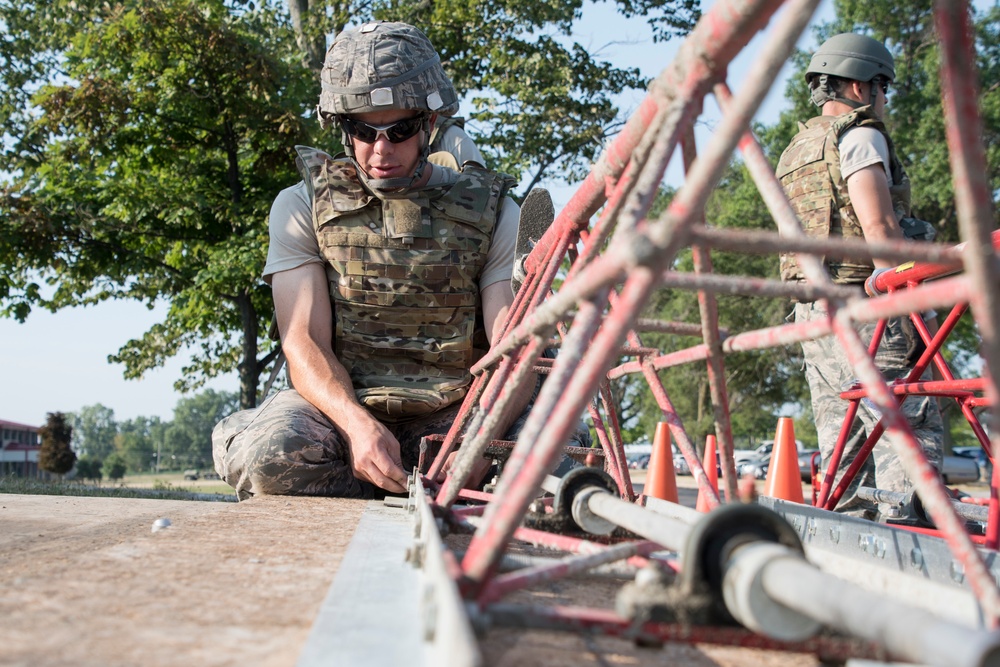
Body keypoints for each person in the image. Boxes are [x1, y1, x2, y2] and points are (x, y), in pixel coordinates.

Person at [212, 21, 529, 500]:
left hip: (459, 412)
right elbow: (303, 342)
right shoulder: (301, 206)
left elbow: (513, 345)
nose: (381, 149)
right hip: (343, 414)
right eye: (364, 129)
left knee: (552, 456)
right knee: (273, 456)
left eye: (399, 130)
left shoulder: (496, 210)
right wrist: (359, 428)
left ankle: (437, 490)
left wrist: (485, 437)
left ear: (429, 125)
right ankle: (390, 488)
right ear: (343, 128)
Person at [776, 33, 943, 520]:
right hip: (867, 302)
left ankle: (850, 539)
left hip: (814, 309)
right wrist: (909, 301)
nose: (884, 99)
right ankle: (913, 539)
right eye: (881, 87)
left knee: (842, 432)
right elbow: (879, 226)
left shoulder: (796, 150)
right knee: (905, 422)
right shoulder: (860, 135)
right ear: (857, 87)